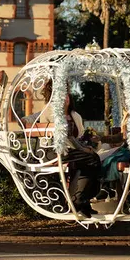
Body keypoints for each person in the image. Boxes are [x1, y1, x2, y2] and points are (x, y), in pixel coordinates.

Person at [29, 80, 99, 217]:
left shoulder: (74, 115)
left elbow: (78, 136)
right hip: (52, 151)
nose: (66, 97)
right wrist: (84, 150)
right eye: (62, 94)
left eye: (67, 94)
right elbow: (65, 138)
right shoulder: (50, 111)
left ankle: (81, 200)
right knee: (92, 159)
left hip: (69, 152)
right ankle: (80, 200)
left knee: (86, 161)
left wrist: (86, 146)